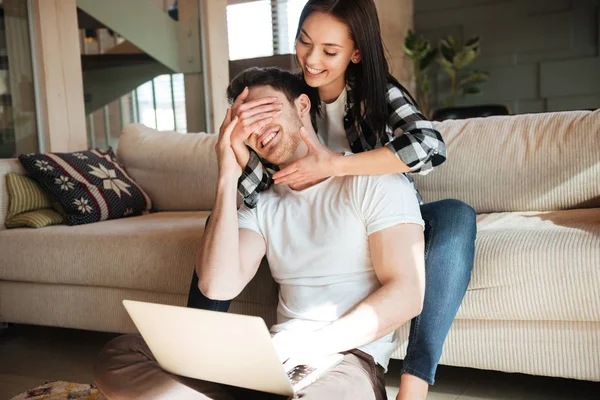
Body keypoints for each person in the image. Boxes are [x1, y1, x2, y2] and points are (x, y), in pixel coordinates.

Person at [188, 1, 477, 399]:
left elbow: (428, 147)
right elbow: (259, 184)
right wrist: (232, 168)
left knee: (456, 216)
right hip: (315, 208)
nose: (311, 59)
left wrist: (335, 166)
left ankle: (413, 385)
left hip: (375, 205)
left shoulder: (376, 91)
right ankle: (195, 357)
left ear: (355, 53)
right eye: (304, 42)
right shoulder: (292, 95)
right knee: (219, 225)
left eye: (329, 51)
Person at [94, 68, 426, 400]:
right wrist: (227, 173)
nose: (258, 128)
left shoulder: (373, 179)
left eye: (265, 111)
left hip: (345, 360)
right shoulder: (262, 204)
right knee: (121, 354)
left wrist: (310, 346)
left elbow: (407, 293)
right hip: (267, 358)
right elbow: (216, 285)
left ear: (302, 107)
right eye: (245, 122)